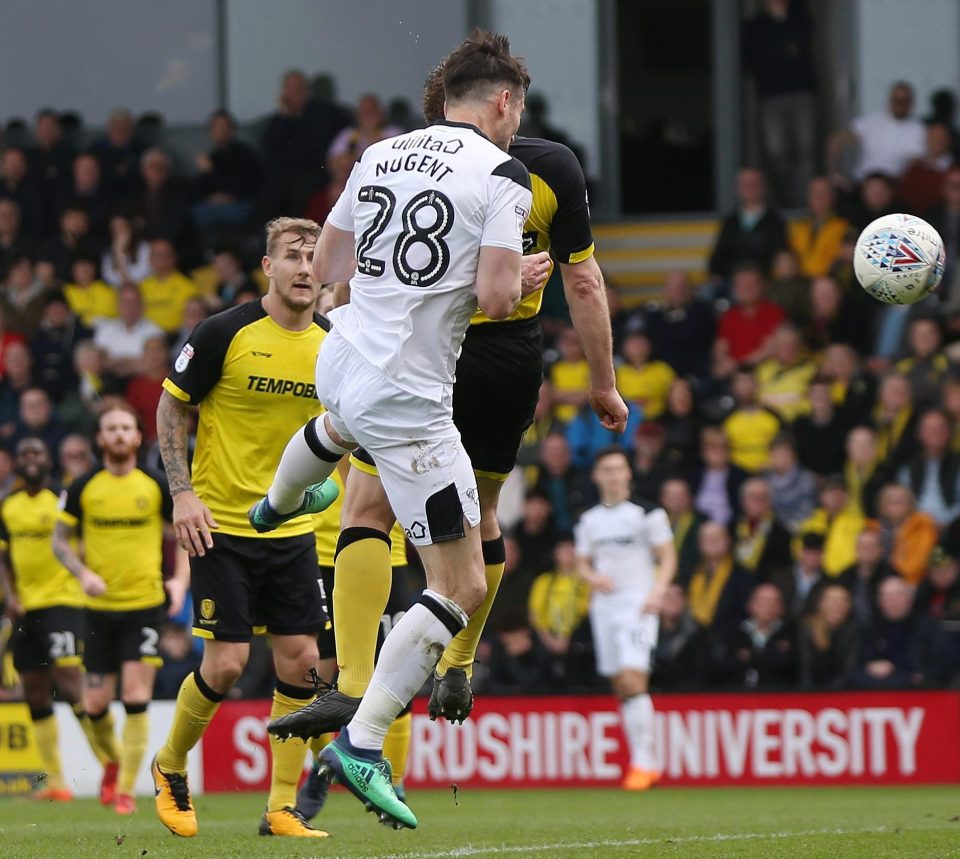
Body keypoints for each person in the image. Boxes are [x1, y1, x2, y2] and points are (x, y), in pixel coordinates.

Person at [261, 42, 626, 791]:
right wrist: (602, 382)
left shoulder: (381, 152)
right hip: (468, 365)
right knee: (471, 539)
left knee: (364, 499)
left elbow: (330, 267)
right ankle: (444, 670)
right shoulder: (524, 171)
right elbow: (565, 286)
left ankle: (344, 653)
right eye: (517, 102)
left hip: (360, 358)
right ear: (503, 102)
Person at [149, 218, 333, 839]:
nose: (306, 267)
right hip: (220, 526)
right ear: (268, 266)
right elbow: (171, 405)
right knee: (226, 664)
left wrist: (327, 482)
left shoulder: (334, 344)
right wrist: (181, 494)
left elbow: (339, 428)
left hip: (292, 530)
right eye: (293, 256)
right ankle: (170, 765)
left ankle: (281, 806)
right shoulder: (224, 331)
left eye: (314, 256)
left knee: (304, 663)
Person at [52, 407, 188, 815]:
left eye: (126, 427)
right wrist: (82, 573)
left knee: (135, 696)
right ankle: (114, 763)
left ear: (137, 436)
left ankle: (127, 790)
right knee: (94, 706)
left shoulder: (156, 485)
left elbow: (184, 533)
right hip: (97, 609)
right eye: (111, 428)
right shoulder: (82, 487)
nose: (118, 434)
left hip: (143, 606)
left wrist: (179, 581)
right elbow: (59, 541)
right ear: (100, 438)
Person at [0, 439, 102, 801]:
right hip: (27, 608)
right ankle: (56, 783)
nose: (30, 459)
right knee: (34, 688)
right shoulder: (8, 505)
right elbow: (4, 557)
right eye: (24, 454)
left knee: (70, 678)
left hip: (64, 601)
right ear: (16, 461)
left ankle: (110, 767)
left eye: (37, 453)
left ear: (48, 460)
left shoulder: (64, 498)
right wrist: (10, 596)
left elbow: (87, 539)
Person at [575, 447, 676, 790]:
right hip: (604, 607)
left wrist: (658, 592)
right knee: (620, 683)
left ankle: (644, 764)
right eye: (607, 470)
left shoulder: (647, 513)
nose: (614, 475)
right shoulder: (588, 520)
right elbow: (582, 563)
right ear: (597, 476)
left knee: (634, 679)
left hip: (638, 605)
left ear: (629, 474)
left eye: (619, 469)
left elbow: (667, 556)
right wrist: (592, 578)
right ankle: (642, 761)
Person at [827, 81, 926, 187]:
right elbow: (836, 141)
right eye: (896, 99)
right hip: (863, 182)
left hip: (894, 186)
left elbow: (915, 164)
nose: (899, 103)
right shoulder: (872, 121)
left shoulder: (919, 129)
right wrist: (834, 174)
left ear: (911, 103)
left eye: (904, 100)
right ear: (889, 100)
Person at [798, 584, 859, 690]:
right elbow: (804, 669)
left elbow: (849, 669)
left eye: (844, 601)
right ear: (821, 604)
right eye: (833, 600)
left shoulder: (853, 631)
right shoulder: (807, 628)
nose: (838, 605)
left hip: (840, 694)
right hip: (809, 694)